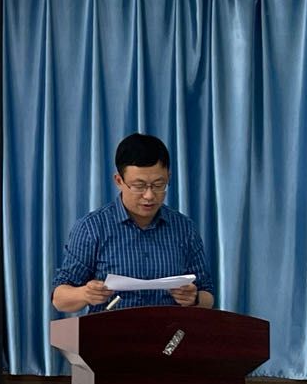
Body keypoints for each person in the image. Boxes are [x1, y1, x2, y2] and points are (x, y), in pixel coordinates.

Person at [52, 133, 216, 313]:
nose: (149, 195)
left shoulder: (184, 228)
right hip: (111, 329)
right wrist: (85, 293)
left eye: (158, 185)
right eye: (139, 186)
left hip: (170, 329)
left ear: (168, 177)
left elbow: (207, 295)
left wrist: (194, 298)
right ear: (119, 181)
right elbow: (59, 300)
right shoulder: (91, 228)